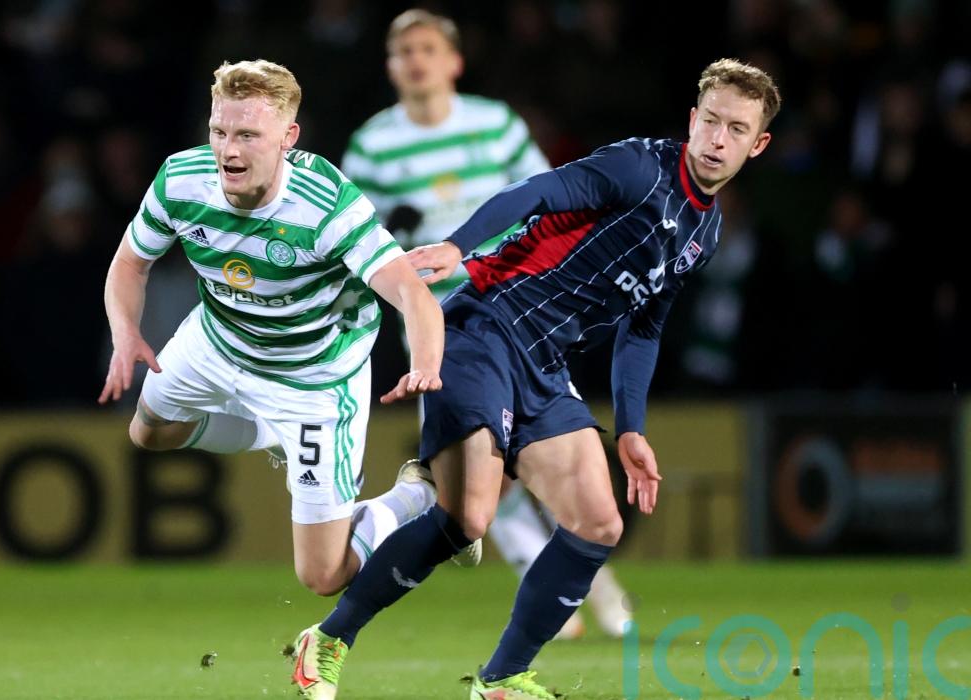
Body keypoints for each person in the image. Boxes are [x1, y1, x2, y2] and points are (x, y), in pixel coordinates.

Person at [291, 58, 780, 700]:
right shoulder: (640, 168)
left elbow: (644, 328)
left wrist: (632, 429)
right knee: (469, 518)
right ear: (692, 119)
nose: (717, 139)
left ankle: (501, 679)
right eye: (710, 121)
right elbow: (537, 192)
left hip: (545, 363)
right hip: (486, 326)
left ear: (757, 144)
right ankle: (329, 639)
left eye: (736, 130)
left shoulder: (705, 229)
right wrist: (459, 245)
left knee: (598, 521)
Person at [99, 59, 445, 598]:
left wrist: (424, 365)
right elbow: (129, 263)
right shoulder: (181, 179)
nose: (228, 151)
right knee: (147, 431)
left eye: (247, 136)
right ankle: (271, 433)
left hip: (313, 374)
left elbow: (411, 295)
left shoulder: (327, 206)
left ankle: (415, 495)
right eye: (219, 132)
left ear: (288, 137)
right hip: (218, 339)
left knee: (323, 576)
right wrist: (126, 333)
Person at [341, 7, 631, 641]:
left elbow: (549, 196)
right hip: (438, 324)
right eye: (404, 51)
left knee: (537, 453)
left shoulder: (495, 126)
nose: (416, 61)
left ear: (454, 61)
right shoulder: (372, 145)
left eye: (427, 49)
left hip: (520, 310)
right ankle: (557, 585)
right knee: (482, 465)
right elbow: (350, 235)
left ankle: (582, 571)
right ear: (390, 66)